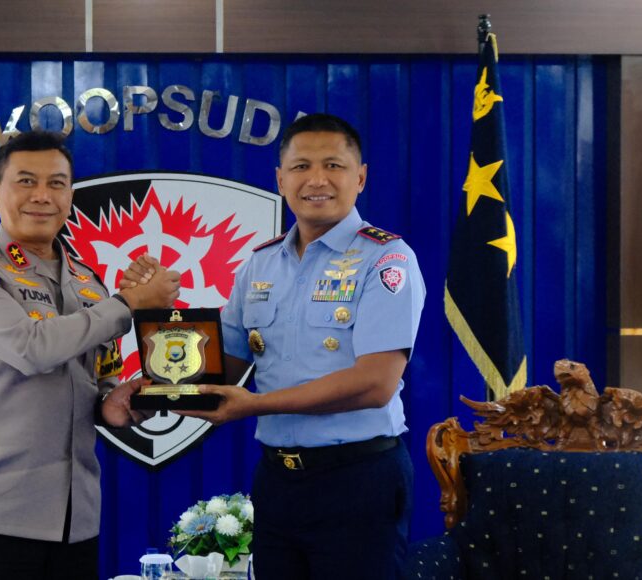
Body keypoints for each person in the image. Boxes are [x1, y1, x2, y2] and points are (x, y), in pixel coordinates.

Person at [127, 113, 425, 579]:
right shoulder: (260, 264)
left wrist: (256, 405)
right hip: (278, 481)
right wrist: (154, 363)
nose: (317, 180)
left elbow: (375, 384)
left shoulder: (387, 259)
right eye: (301, 166)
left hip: (358, 478)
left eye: (334, 165)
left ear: (361, 177)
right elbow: (219, 368)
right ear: (281, 179)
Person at [0, 130, 180, 580]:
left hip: (73, 518)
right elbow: (32, 348)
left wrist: (117, 403)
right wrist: (129, 303)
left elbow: (98, 378)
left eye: (57, 183)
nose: (42, 195)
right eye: (26, 181)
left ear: (70, 196)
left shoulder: (87, 281)